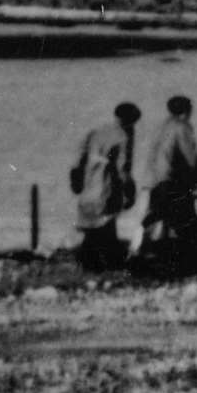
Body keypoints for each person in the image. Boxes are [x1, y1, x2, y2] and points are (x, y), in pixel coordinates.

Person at [70, 102, 142, 269]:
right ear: (130, 120)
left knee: (93, 227)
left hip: (90, 183)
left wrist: (76, 180)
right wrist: (130, 189)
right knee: (106, 226)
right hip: (107, 185)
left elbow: (80, 157)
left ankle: (91, 263)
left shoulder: (97, 132)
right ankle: (109, 263)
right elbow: (122, 168)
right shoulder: (122, 137)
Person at [145, 95, 197, 239]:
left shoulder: (162, 127)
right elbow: (192, 159)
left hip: (154, 184)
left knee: (163, 226)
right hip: (172, 184)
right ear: (187, 110)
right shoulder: (182, 126)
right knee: (189, 231)